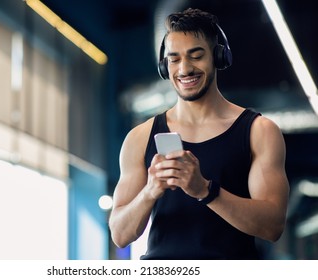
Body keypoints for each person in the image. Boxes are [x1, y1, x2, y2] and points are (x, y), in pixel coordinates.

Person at [108, 8, 289, 259]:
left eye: (196, 56)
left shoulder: (259, 131)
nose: (184, 69)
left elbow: (272, 226)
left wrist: (205, 190)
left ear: (219, 57)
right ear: (164, 65)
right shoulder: (139, 138)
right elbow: (120, 234)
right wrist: (150, 190)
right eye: (174, 59)